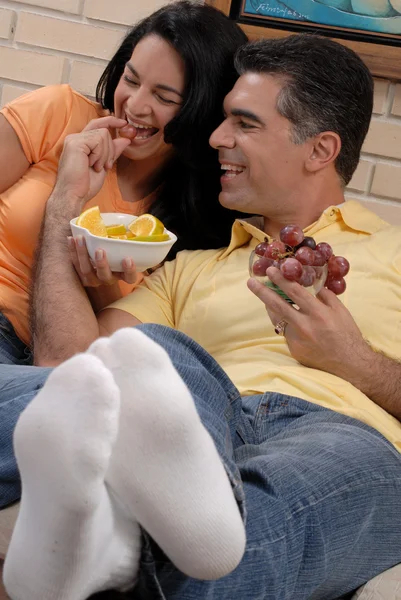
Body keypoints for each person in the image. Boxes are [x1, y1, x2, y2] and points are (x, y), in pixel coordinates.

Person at [4, 33, 401, 600]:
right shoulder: (186, 267)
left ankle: (119, 549)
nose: (216, 138)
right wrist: (67, 205)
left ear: (320, 150)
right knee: (157, 356)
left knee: (249, 520)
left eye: (244, 123)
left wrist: (353, 361)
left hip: (340, 433)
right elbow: (69, 367)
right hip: (191, 424)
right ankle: (170, 513)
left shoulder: (396, 252)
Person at [0, 0, 247, 362]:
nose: (134, 104)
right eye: (130, 79)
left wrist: (102, 286)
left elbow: (124, 344)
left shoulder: (197, 223)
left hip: (60, 363)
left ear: (203, 110)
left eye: (164, 97)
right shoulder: (61, 113)